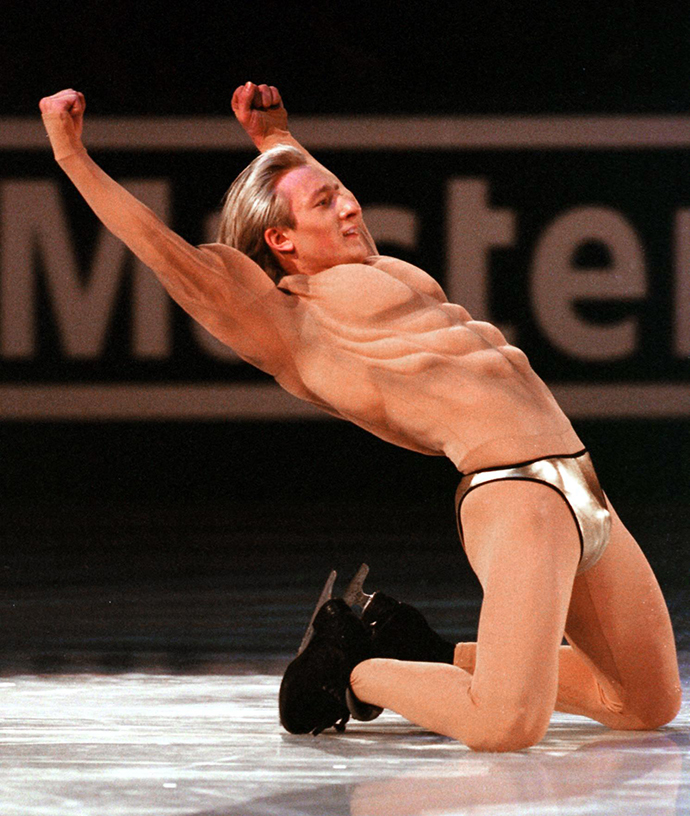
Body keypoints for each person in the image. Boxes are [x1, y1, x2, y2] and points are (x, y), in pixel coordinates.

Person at [39, 83, 682, 752]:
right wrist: (72, 157)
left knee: (644, 701)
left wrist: (274, 140)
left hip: (581, 482)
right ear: (281, 238)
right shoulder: (289, 323)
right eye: (327, 202)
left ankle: (421, 648)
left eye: (342, 191)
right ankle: (357, 668)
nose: (350, 204)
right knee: (507, 725)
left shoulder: (376, 270)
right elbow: (168, 255)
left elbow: (308, 195)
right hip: (514, 494)